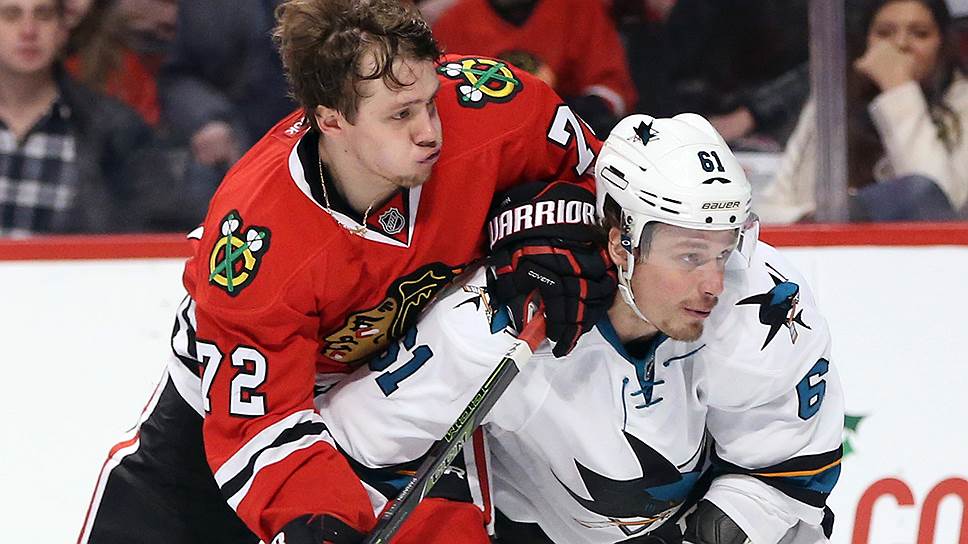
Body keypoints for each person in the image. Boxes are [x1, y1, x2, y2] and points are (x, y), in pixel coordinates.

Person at [77, 0, 615, 543]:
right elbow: (262, 418)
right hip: (247, 406)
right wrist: (316, 515)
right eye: (400, 116)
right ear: (331, 120)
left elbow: (613, 185)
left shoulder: (497, 108)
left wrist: (554, 217)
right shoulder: (254, 243)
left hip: (407, 379)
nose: (430, 131)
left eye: (430, 101)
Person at [316, 114, 845, 543]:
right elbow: (359, 442)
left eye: (723, 250)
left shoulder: (762, 301)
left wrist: (732, 520)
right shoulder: (499, 322)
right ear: (621, 242)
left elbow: (790, 466)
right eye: (689, 255)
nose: (714, 283)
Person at [758, 0, 968, 223]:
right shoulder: (832, 103)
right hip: (825, 243)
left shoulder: (963, 104)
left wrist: (898, 89)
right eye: (884, 33)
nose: (900, 44)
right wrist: (830, 216)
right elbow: (771, 207)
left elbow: (937, 207)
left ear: (942, 43)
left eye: (920, 34)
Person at [0, 0, 175, 236]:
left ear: (63, 29)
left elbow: (157, 230)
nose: (28, 31)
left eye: (43, 15)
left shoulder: (116, 130)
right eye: (11, 15)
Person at [432, 0, 638, 136]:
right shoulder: (451, 24)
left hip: (570, 140)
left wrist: (579, 112)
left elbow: (612, 86)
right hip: (488, 147)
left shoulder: (579, 8)